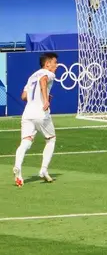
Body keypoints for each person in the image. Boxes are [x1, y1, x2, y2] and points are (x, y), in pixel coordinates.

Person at [13, 53, 58, 187]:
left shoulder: (31, 76)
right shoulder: (48, 73)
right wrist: (45, 99)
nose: (56, 65)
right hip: (41, 113)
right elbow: (43, 80)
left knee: (26, 142)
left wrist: (37, 98)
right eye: (55, 62)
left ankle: (17, 167)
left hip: (27, 113)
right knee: (51, 139)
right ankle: (43, 169)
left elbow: (23, 96)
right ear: (47, 64)